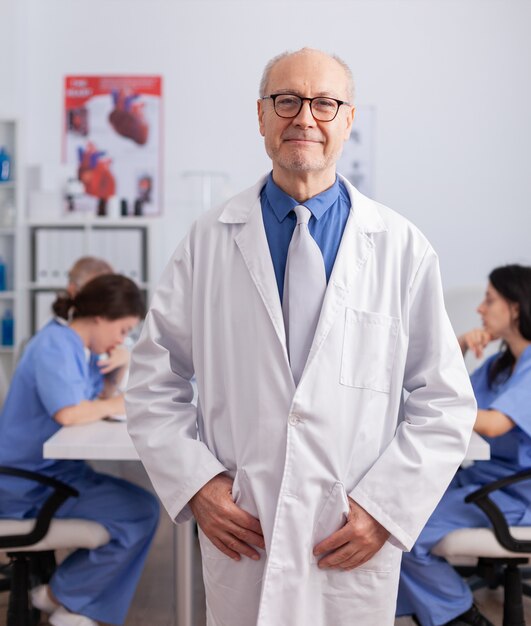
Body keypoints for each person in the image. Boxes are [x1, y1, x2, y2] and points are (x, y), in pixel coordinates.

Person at [125, 48, 476, 626]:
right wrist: (199, 487)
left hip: (349, 533)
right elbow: (151, 382)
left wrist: (385, 510)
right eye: (286, 101)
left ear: (348, 118)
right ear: (261, 116)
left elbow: (444, 403)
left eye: (324, 103)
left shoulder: (401, 247)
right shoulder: (208, 241)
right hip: (245, 526)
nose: (304, 117)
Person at [0, 274, 159, 626]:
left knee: (144, 506)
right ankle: (65, 598)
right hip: (26, 485)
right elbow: (70, 413)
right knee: (140, 511)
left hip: (53, 474)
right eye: (123, 330)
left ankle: (68, 597)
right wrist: (121, 401)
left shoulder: (75, 347)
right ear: (101, 316)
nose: (122, 340)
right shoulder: (54, 346)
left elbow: (93, 399)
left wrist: (116, 374)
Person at [397, 264, 531, 626]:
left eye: (490, 300)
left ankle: (460, 614)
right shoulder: (499, 367)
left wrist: (445, 405)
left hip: (514, 493)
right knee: (395, 507)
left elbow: (492, 423)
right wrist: (458, 345)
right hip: (480, 480)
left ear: (516, 308)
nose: (480, 309)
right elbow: (446, 390)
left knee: (405, 529)